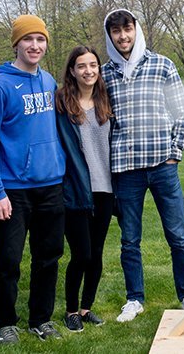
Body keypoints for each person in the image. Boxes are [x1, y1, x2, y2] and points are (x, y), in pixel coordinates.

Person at [0, 14, 65, 344]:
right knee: (9, 260)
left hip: (51, 186)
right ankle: (4, 323)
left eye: (40, 40)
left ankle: (41, 319)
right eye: (28, 39)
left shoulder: (49, 81)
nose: (35, 45)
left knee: (49, 257)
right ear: (16, 43)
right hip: (13, 191)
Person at [101, 9, 184, 322]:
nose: (123, 36)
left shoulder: (162, 64)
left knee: (177, 235)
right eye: (116, 31)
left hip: (162, 166)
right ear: (110, 36)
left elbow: (181, 110)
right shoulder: (104, 74)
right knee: (130, 239)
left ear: (136, 30)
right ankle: (134, 299)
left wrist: (175, 151)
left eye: (127, 29)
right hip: (126, 170)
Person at [55, 46, 114, 332]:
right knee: (81, 254)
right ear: (72, 71)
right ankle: (70, 311)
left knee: (97, 253)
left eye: (93, 65)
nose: (88, 70)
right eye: (82, 66)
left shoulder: (106, 101)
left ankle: (86, 307)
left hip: (105, 190)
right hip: (76, 190)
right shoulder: (62, 104)